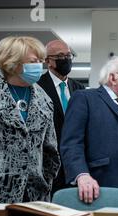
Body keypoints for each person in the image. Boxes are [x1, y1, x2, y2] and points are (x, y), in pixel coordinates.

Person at [0, 36, 60, 203]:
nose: (39, 65)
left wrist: (46, 178)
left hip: (34, 194)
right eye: (33, 61)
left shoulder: (44, 98)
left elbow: (50, 147)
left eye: (40, 60)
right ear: (13, 62)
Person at [60, 57, 118, 205]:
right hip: (101, 184)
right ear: (113, 78)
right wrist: (81, 174)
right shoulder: (85, 98)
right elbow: (71, 142)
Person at [37, 40, 85, 195]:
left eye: (68, 55)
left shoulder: (79, 88)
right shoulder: (37, 86)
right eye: (60, 56)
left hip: (73, 160)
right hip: (47, 159)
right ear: (47, 61)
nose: (66, 59)